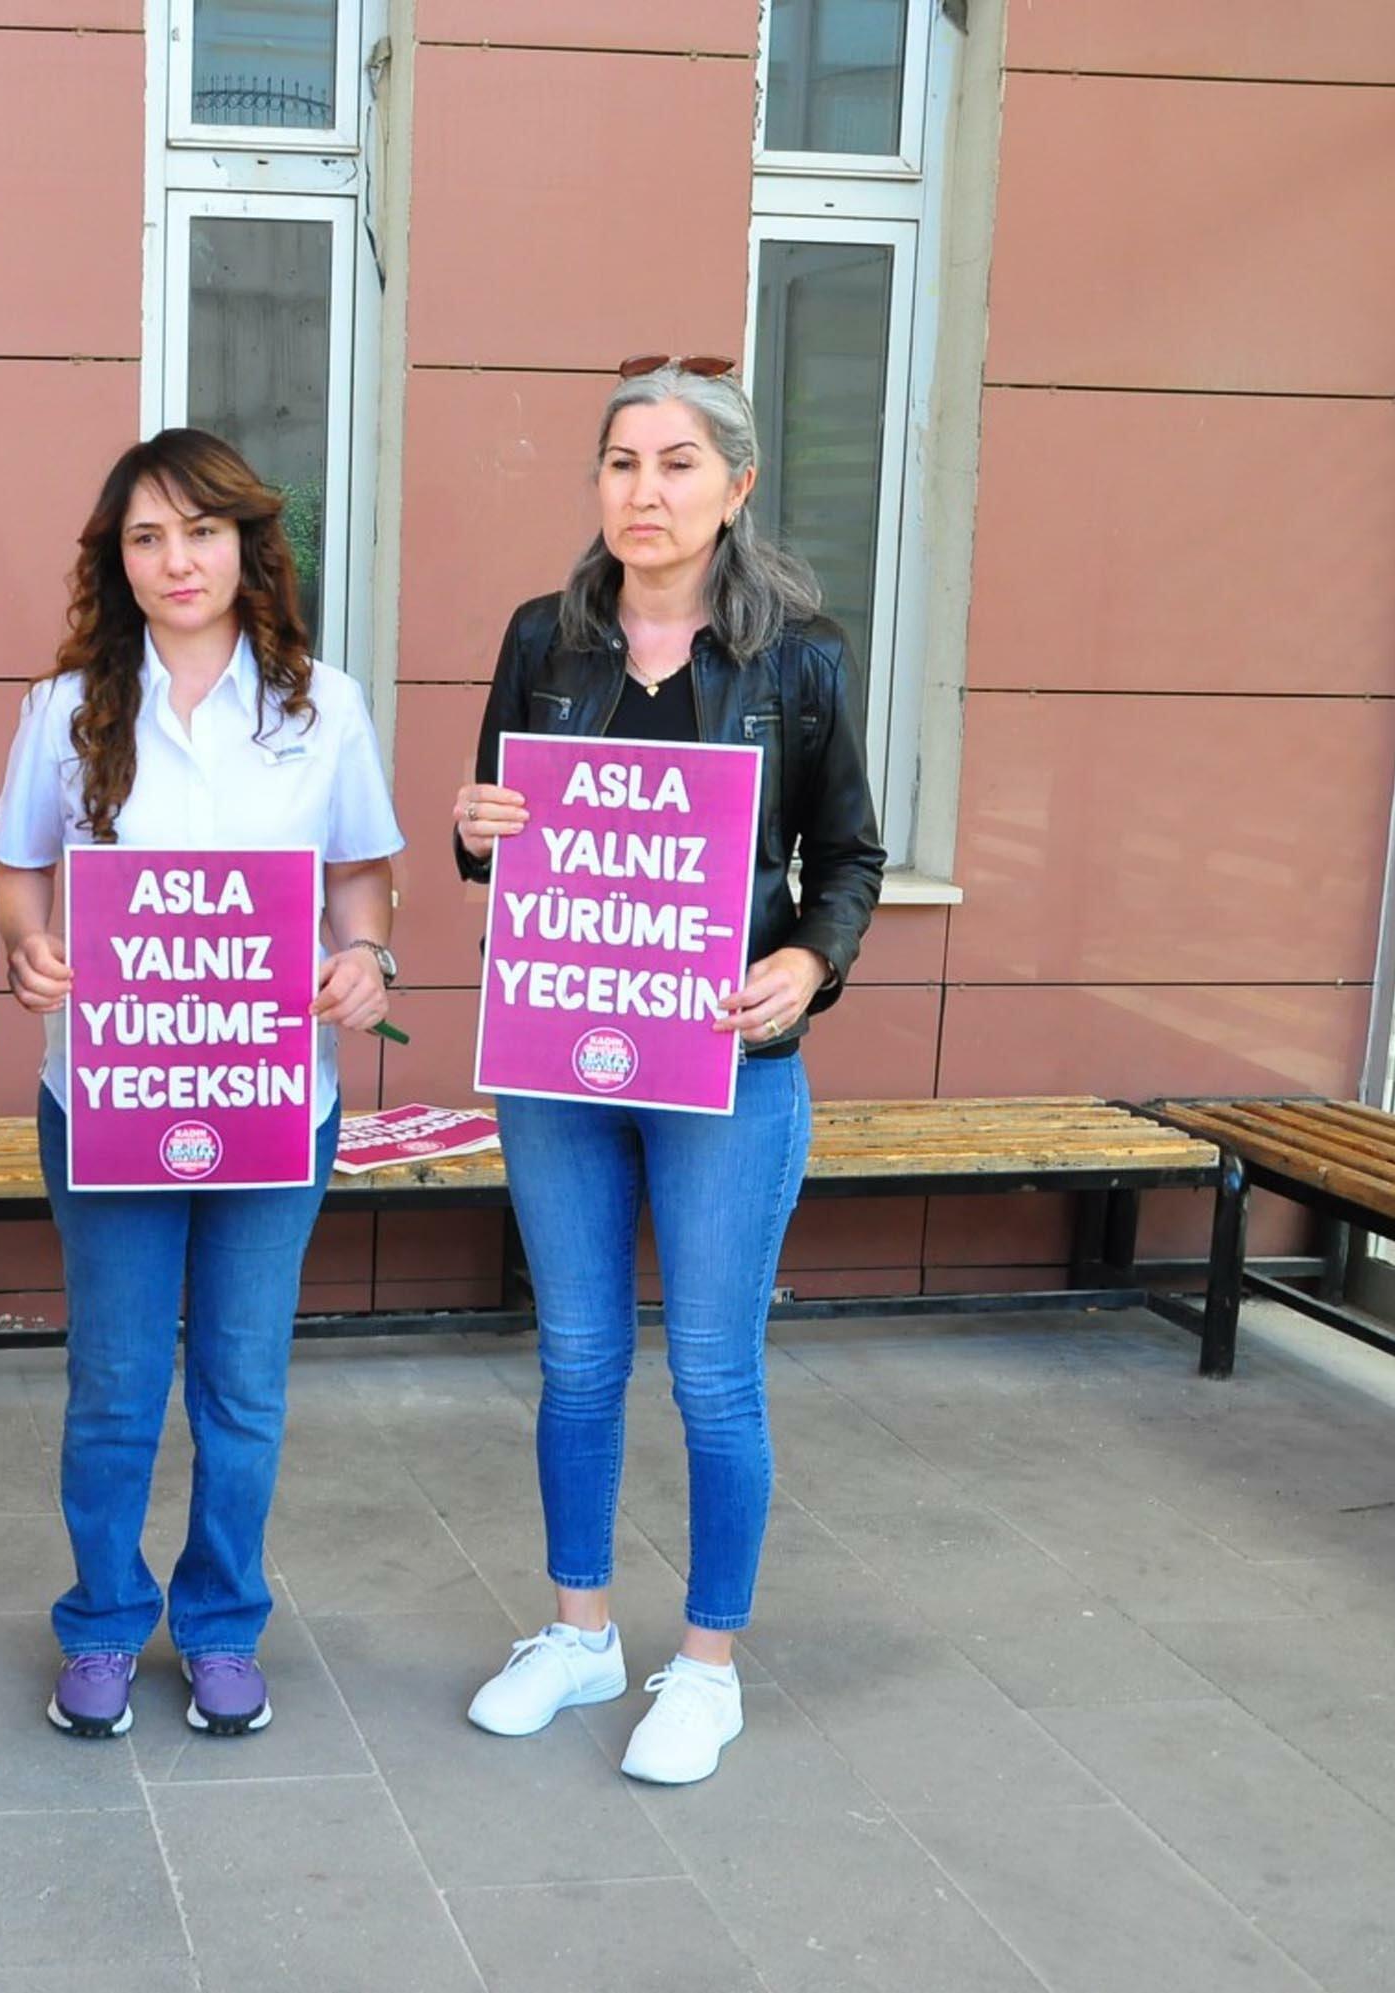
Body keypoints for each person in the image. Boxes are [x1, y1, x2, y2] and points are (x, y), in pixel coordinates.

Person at [449, 356, 883, 1784]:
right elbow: (494, 834)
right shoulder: (543, 636)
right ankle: (580, 1633)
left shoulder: (801, 657)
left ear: (736, 486)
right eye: (623, 462)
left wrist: (808, 962)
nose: (647, 490)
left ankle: (708, 1666)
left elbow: (849, 857)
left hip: (728, 1060)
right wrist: (472, 825)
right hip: (561, 1050)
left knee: (711, 1372)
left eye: (679, 463)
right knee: (577, 1358)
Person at [0, 429, 404, 1742]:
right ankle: (104, 1622)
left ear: (247, 545)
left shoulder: (322, 706)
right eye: (148, 537)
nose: (179, 559)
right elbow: (21, 865)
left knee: (242, 1386)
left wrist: (366, 956)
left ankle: (223, 1622)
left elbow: (360, 873)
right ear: (116, 561)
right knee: (116, 1385)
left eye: (203, 531)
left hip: (276, 1103)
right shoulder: (64, 710)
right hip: (107, 1100)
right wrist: (29, 947)